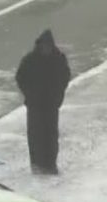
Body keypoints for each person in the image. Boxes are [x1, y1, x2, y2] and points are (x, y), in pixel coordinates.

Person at [16, 29, 71, 175]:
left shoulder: (58, 59)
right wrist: (29, 94)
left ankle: (50, 164)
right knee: (35, 136)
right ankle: (37, 164)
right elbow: (20, 77)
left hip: (51, 104)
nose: (46, 49)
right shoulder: (30, 60)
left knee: (50, 136)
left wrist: (58, 95)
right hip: (35, 105)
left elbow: (65, 77)